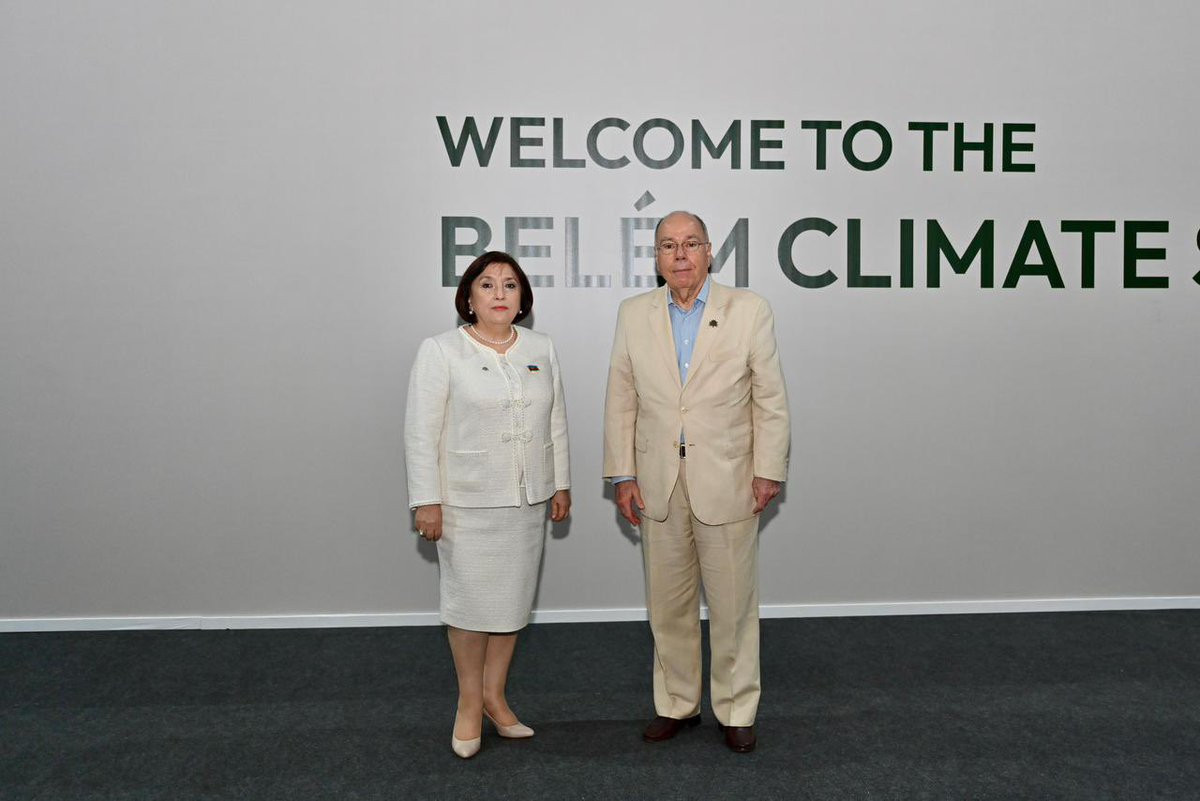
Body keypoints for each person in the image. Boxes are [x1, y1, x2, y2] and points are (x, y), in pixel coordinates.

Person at [602, 211, 790, 753]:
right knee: (667, 605)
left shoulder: (749, 310)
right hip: (655, 480)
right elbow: (621, 397)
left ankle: (736, 708)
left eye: (690, 244)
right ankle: (676, 704)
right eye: (668, 245)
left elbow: (769, 397)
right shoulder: (633, 313)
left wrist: (768, 469)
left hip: (729, 478)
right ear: (656, 257)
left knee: (732, 606)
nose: (680, 254)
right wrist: (622, 474)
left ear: (710, 252)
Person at [404, 251, 571, 759]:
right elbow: (420, 433)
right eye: (487, 284)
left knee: (511, 606)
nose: (500, 293)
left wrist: (560, 483)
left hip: (526, 502)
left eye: (510, 285)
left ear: (522, 299)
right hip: (466, 503)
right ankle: (469, 703)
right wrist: (426, 501)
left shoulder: (541, 347)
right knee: (470, 607)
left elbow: (556, 421)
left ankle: (496, 698)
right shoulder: (440, 350)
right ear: (469, 297)